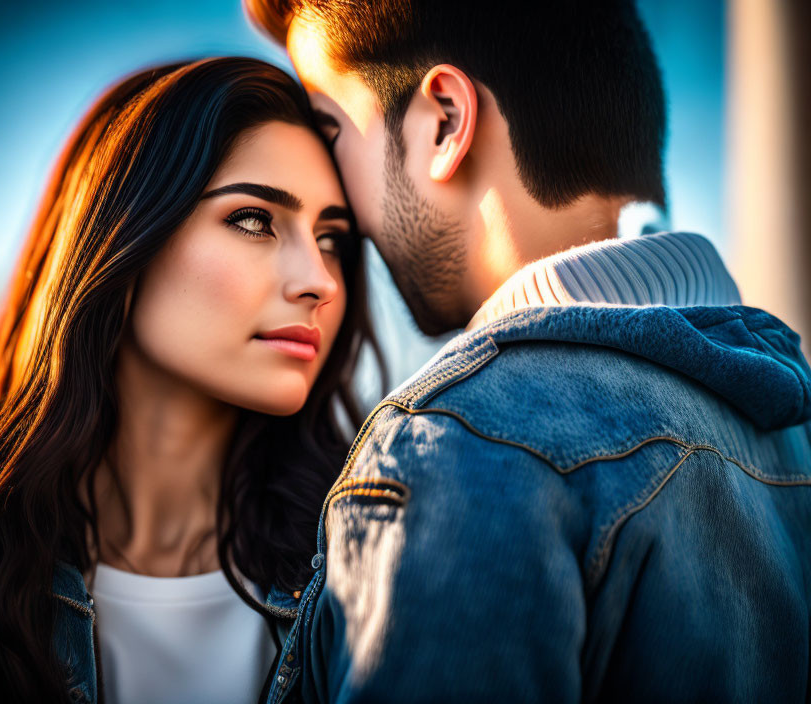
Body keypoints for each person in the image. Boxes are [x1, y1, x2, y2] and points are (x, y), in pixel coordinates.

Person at [244, 1, 811, 702]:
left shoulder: (455, 447)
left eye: (332, 130)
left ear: (446, 122)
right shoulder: (788, 422)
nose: (340, 211)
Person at [0, 57, 385, 703]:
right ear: (123, 234)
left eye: (332, 238)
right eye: (254, 219)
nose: (320, 280)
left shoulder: (376, 564)